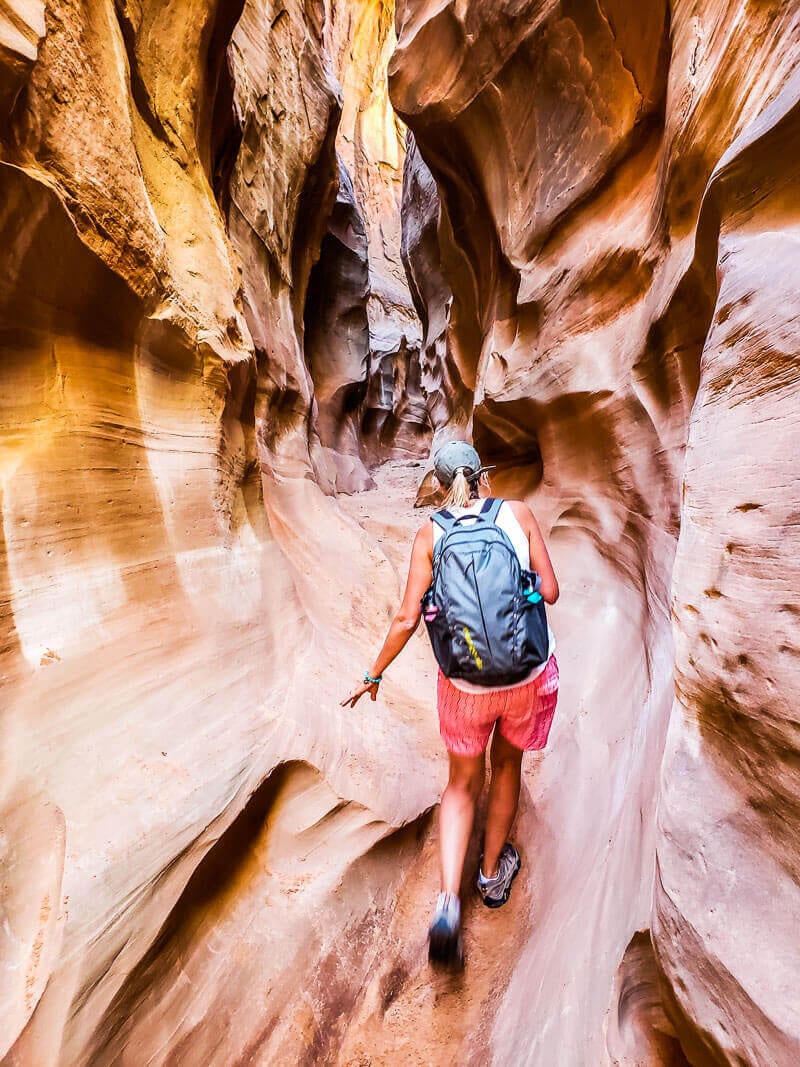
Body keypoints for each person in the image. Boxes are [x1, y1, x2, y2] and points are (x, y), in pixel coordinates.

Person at [341, 441, 559, 967]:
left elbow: (406, 618)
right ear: (482, 476)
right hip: (528, 675)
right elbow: (550, 592)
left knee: (462, 783)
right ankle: (490, 877)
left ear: (439, 486)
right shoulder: (519, 514)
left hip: (463, 688)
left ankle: (446, 904)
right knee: (506, 766)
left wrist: (373, 675)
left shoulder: (430, 534)